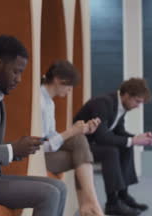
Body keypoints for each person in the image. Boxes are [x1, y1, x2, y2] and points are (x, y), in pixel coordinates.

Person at [0, 35, 67, 216]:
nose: (19, 79)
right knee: (49, 194)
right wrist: (11, 150)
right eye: (16, 71)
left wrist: (19, 150)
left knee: (60, 188)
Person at [74, 78, 152, 216]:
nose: (138, 106)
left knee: (126, 146)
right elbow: (101, 136)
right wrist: (133, 140)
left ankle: (122, 196)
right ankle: (112, 203)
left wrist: (140, 138)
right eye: (137, 101)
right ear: (126, 95)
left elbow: (119, 132)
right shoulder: (103, 103)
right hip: (79, 147)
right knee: (110, 151)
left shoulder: (120, 105)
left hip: (92, 144)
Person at [40, 60, 104, 216]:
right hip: (36, 158)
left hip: (48, 153)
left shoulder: (49, 102)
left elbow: (52, 136)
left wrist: (83, 130)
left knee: (80, 142)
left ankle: (89, 204)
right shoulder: (39, 102)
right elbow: (41, 146)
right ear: (57, 79)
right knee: (79, 153)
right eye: (69, 85)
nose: (70, 90)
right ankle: (90, 205)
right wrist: (71, 132)